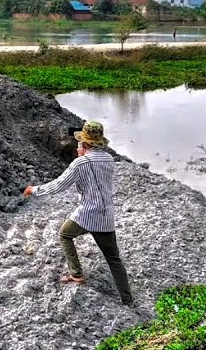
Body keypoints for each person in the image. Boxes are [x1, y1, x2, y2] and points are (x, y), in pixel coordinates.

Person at [23, 120, 134, 306]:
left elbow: (58, 185)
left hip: (88, 214)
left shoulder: (80, 163)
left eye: (80, 143)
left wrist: (34, 189)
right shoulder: (108, 159)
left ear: (85, 143)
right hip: (106, 216)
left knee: (65, 234)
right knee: (114, 259)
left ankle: (76, 275)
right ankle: (128, 300)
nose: (77, 146)